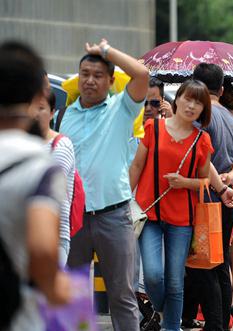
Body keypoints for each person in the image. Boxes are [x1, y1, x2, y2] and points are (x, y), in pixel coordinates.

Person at [60, 38, 149, 330]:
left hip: (114, 215)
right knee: (72, 294)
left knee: (122, 294)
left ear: (111, 81)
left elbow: (142, 75)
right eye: (85, 74)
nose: (90, 81)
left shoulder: (122, 110)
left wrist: (107, 51)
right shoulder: (66, 114)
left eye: (98, 75)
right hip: (74, 218)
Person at [129, 80, 214, 330]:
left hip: (182, 219)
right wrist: (125, 200)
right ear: (177, 99)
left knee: (175, 281)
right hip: (149, 213)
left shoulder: (202, 140)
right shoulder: (152, 128)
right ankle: (163, 311)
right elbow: (136, 166)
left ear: (203, 110)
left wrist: (184, 182)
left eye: (198, 102)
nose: (192, 105)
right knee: (153, 275)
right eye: (188, 98)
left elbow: (204, 181)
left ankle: (171, 327)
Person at [0, 41, 71, 331]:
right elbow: (42, 248)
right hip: (17, 315)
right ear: (39, 94)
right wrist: (56, 291)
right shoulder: (40, 164)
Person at [183, 62, 233, 331]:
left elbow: (198, 158)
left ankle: (214, 324)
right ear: (221, 89)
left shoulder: (197, 117)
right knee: (219, 263)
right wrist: (228, 180)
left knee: (203, 263)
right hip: (228, 196)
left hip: (202, 196)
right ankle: (220, 322)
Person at [33, 89, 75, 266]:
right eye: (30, 107)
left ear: (52, 113)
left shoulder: (60, 145)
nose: (34, 113)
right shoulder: (23, 142)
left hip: (53, 236)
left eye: (41, 108)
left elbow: (52, 194)